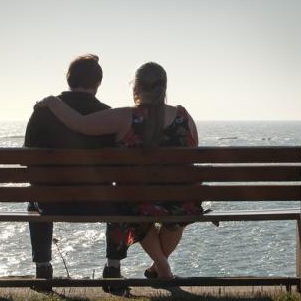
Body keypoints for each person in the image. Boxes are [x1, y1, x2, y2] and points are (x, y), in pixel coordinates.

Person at [35, 61, 202, 279]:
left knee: (134, 207)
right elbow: (193, 153)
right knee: (174, 215)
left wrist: (51, 101)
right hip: (180, 202)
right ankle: (160, 268)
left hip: (135, 202)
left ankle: (162, 268)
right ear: (164, 87)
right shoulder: (184, 117)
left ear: (136, 88)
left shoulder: (125, 117)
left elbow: (80, 124)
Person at [24, 54, 129, 285]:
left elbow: (28, 161)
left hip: (50, 202)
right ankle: (113, 268)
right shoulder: (108, 115)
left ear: (69, 79)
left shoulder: (42, 112)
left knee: (34, 199)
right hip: (99, 202)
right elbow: (120, 167)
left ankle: (43, 269)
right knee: (120, 197)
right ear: (98, 83)